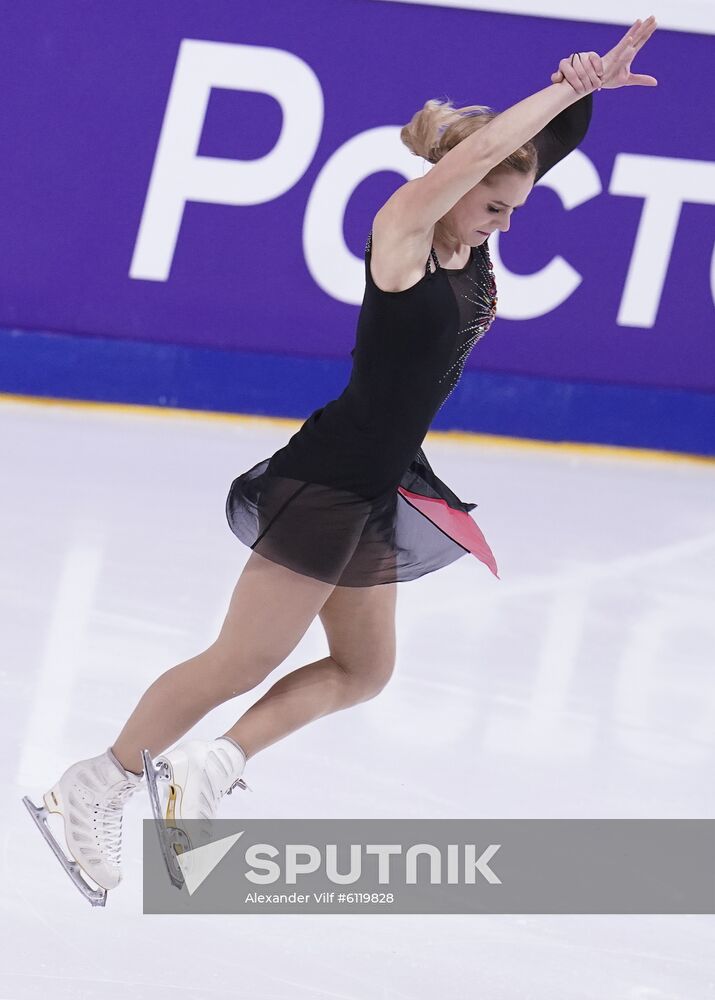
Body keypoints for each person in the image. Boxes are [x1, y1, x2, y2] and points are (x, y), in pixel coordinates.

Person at [22, 17, 658, 904]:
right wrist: (560, 93)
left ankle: (205, 771)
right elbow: (479, 165)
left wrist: (581, 91)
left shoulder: (472, 244)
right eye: (492, 200)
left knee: (364, 671)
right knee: (241, 660)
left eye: (515, 205)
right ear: (454, 184)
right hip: (328, 478)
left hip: (382, 483)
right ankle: (90, 787)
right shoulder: (402, 232)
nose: (504, 217)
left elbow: (528, 154)